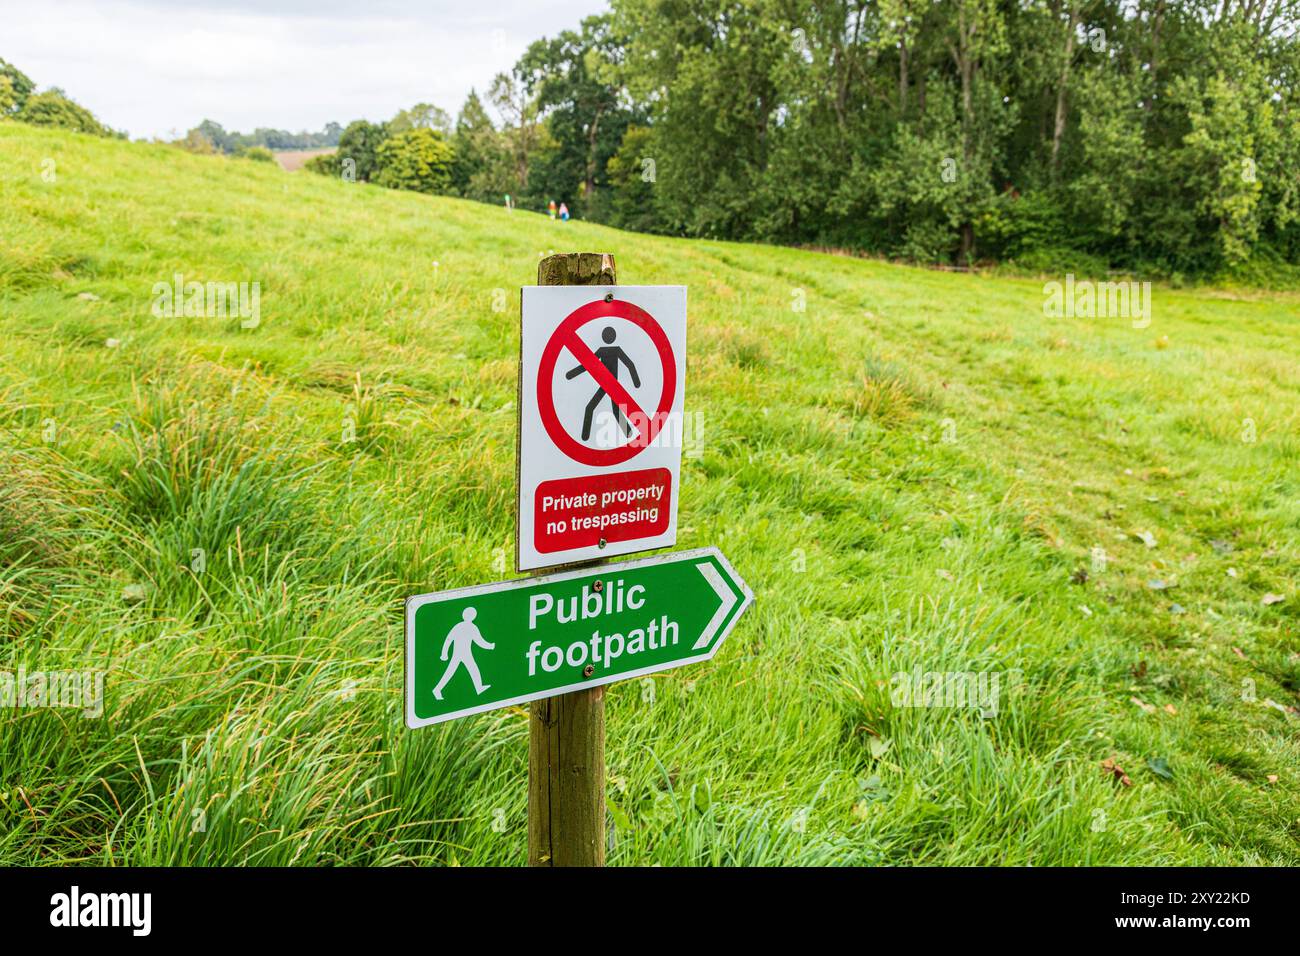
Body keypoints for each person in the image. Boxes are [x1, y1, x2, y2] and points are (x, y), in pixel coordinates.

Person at [566, 326, 641, 441]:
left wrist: (571, 374)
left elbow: (586, 365)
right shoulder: (614, 350)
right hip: (608, 385)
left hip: (610, 386)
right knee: (610, 410)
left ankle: (629, 433)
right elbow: (630, 364)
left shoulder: (605, 350)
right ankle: (629, 433)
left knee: (592, 408)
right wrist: (636, 382)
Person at [432, 607, 494, 700]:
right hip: (460, 653)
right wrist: (491, 646)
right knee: (451, 672)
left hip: (464, 653)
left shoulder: (462, 626)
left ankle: (479, 687)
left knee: (472, 669)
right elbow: (479, 641)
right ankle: (437, 689)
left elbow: (449, 639)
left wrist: (444, 653)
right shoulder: (468, 627)